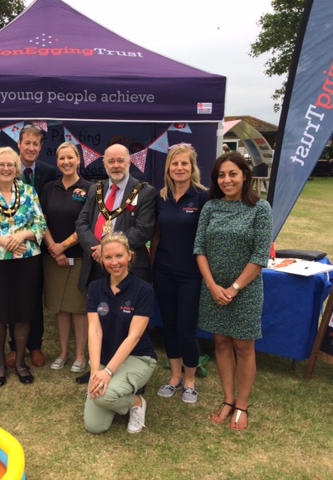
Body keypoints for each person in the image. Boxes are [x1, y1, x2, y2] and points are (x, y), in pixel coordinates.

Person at [193, 151, 273, 430]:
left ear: (245, 176)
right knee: (222, 343)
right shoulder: (210, 208)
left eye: (232, 174)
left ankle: (242, 404)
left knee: (244, 345)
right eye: (221, 175)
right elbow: (199, 249)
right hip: (213, 289)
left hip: (246, 290)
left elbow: (260, 256)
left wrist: (235, 288)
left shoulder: (260, 209)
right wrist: (213, 286)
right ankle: (228, 400)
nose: (226, 180)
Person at [74, 143, 156, 383]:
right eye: (111, 161)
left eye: (121, 160)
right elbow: (81, 223)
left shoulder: (145, 191)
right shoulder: (95, 189)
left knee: (127, 320)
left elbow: (143, 230)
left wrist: (110, 250)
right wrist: (97, 250)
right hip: (96, 263)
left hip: (128, 267)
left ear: (130, 163)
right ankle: (97, 367)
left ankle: (127, 369)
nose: (116, 165)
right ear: (104, 164)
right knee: (100, 320)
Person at [0, 146, 47, 387]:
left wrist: (22, 235)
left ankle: (21, 362)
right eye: (1, 164)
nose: (6, 168)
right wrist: (5, 241)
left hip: (27, 260)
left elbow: (40, 224)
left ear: (17, 169)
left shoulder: (28, 191)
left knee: (24, 311)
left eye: (10, 164)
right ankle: (1, 362)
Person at [151, 144, 209, 404]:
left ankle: (190, 380)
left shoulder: (203, 197)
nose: (179, 168)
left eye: (184, 163)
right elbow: (155, 233)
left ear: (192, 167)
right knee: (170, 327)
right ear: (169, 168)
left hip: (191, 275)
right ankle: (175, 377)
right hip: (163, 271)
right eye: (175, 164)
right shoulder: (160, 197)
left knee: (187, 329)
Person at [83, 232, 157, 435]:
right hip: (105, 360)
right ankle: (115, 394)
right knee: (94, 427)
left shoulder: (143, 290)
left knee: (102, 397)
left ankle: (136, 402)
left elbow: (134, 337)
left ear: (129, 256)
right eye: (108, 257)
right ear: (102, 259)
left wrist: (107, 374)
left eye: (119, 256)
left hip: (137, 357)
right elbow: (95, 330)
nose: (114, 262)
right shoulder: (96, 288)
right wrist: (95, 371)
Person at [7, 124, 59, 369]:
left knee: (33, 296)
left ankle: (35, 345)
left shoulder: (49, 172)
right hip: (8, 246)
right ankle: (14, 347)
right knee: (12, 296)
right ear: (19, 144)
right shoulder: (7, 169)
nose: (30, 148)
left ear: (40, 147)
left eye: (35, 144)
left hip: (36, 245)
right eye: (26, 143)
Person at [40, 142, 92, 373]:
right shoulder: (49, 187)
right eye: (61, 158)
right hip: (52, 258)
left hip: (78, 256)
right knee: (60, 308)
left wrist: (64, 246)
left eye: (70, 157)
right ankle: (63, 353)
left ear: (78, 159)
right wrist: (53, 248)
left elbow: (89, 223)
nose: (66, 162)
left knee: (78, 309)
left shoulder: (90, 188)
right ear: (57, 161)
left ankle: (80, 355)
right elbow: (41, 221)